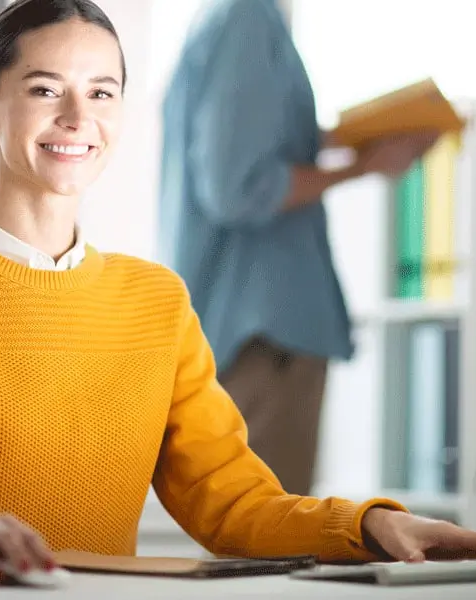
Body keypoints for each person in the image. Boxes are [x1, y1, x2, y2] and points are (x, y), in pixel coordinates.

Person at [0, 0, 476, 585]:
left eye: (100, 92)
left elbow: (233, 504)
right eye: (45, 89)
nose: (77, 116)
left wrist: (372, 522)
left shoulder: (155, 301)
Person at [157, 0, 441, 496]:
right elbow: (236, 188)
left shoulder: (232, 19)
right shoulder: (247, 19)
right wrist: (363, 168)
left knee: (263, 537)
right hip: (262, 331)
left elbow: (246, 148)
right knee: (268, 541)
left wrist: (347, 142)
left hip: (255, 327)